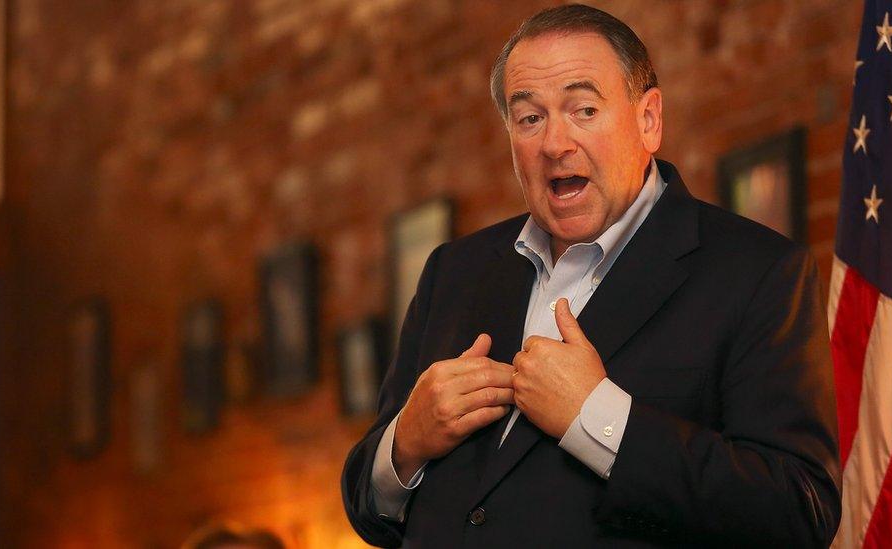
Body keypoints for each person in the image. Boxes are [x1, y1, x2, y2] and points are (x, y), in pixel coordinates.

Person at [342, 4, 841, 548]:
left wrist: (597, 417)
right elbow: (369, 508)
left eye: (583, 109)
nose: (555, 143)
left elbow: (798, 510)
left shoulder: (756, 272)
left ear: (648, 119)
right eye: (530, 118)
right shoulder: (454, 271)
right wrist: (406, 443)